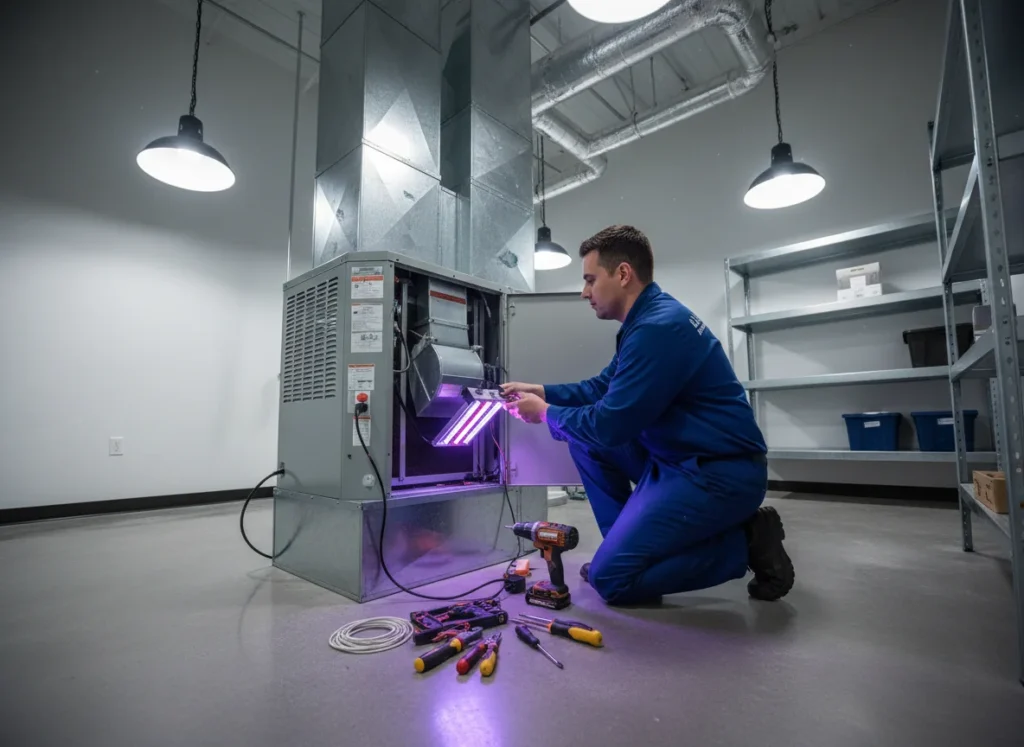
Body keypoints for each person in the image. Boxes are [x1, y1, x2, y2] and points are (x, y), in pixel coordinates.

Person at [502, 225, 794, 605]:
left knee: (612, 582)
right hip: (677, 458)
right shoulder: (645, 321)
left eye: (590, 280)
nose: (584, 292)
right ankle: (628, 550)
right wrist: (542, 391)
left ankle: (747, 543)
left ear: (622, 274)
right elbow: (600, 388)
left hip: (717, 475)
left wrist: (545, 414)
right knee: (583, 443)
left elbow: (609, 424)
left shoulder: (658, 328)